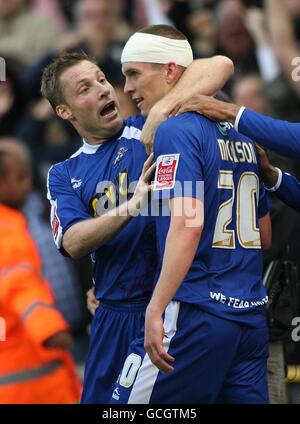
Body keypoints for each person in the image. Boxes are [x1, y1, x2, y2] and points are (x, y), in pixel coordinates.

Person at [42, 51, 233, 403]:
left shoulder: (151, 128)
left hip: (174, 307)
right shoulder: (64, 173)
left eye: (101, 79)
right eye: (85, 88)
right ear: (64, 111)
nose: (102, 90)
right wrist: (133, 205)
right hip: (113, 316)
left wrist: (162, 109)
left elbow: (219, 65)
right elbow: (73, 241)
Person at [110, 24, 271, 404]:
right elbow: (264, 236)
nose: (128, 88)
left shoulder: (175, 130)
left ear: (169, 71)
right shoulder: (242, 136)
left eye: (134, 74)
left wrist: (155, 307)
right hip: (249, 320)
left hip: (196, 312)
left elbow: (188, 224)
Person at [0, 140, 81, 404]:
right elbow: (19, 283)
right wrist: (49, 327)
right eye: (21, 178)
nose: (27, 185)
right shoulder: (7, 230)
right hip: (29, 380)